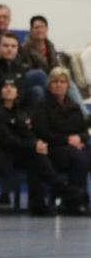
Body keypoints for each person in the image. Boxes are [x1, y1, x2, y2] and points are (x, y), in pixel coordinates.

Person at [0, 80, 63, 215]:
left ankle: (38, 204)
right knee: (34, 153)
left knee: (36, 157)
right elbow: (6, 140)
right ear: (1, 91)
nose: (9, 89)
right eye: (5, 87)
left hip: (19, 152)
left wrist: (38, 143)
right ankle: (56, 186)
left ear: (17, 92)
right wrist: (33, 145)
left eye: (12, 87)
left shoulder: (19, 111)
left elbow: (27, 133)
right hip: (4, 155)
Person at [31, 67, 90, 216]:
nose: (59, 85)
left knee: (83, 154)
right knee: (79, 157)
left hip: (74, 146)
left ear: (68, 85)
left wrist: (80, 138)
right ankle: (75, 201)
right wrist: (67, 140)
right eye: (55, 81)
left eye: (63, 82)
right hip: (53, 148)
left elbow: (84, 131)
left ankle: (75, 199)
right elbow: (41, 131)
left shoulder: (74, 106)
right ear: (50, 84)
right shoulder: (42, 105)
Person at [23, 15, 84, 107]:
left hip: (51, 80)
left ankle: (84, 115)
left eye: (42, 27)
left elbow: (56, 67)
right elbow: (28, 70)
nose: (39, 30)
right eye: (36, 27)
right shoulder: (25, 48)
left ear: (46, 29)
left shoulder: (50, 46)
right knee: (40, 79)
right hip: (35, 82)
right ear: (31, 30)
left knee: (68, 82)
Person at [0, 32, 42, 107]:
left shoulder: (18, 66)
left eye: (13, 46)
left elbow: (21, 93)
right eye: (5, 46)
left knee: (37, 91)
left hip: (16, 108)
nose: (10, 49)